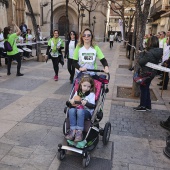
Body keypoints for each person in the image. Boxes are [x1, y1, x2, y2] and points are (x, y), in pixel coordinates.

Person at [133, 36, 163, 111]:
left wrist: (141, 54)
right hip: (152, 73)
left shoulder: (149, 53)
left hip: (146, 73)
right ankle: (148, 106)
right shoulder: (157, 51)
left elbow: (141, 62)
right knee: (146, 88)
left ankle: (142, 106)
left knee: (143, 89)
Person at [65, 75, 95, 141]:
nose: (86, 88)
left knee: (80, 111)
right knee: (71, 110)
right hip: (77, 109)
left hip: (86, 112)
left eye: (88, 86)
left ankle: (79, 132)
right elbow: (73, 101)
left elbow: (93, 105)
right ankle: (72, 130)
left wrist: (86, 103)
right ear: (81, 84)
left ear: (91, 87)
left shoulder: (91, 94)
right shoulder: (77, 93)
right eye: (84, 86)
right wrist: (71, 101)